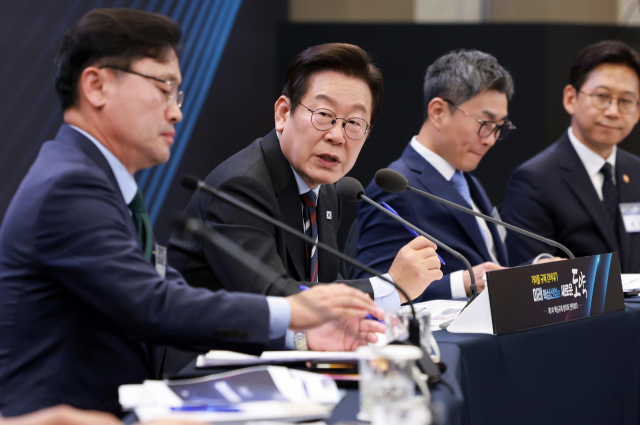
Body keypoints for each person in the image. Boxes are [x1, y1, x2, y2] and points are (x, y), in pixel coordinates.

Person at [0, 9, 384, 418]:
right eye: (163, 88)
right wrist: (293, 313)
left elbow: (168, 291)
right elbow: (154, 304)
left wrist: (303, 335)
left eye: (177, 94)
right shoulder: (71, 186)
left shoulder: (94, 179)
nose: (176, 112)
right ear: (96, 86)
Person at [168, 43, 442, 308]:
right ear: (283, 114)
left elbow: (323, 284)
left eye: (354, 123)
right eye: (323, 114)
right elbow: (274, 298)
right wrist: (389, 287)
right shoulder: (241, 186)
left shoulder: (325, 191)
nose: (337, 136)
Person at [356, 50, 556, 301]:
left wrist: (535, 269)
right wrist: (461, 283)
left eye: (500, 127)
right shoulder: (397, 186)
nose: (491, 139)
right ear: (438, 112)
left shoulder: (466, 180)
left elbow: (489, 270)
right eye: (485, 123)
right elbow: (375, 289)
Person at [503, 40, 640, 272]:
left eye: (625, 101)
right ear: (570, 98)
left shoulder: (636, 171)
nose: (613, 111)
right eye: (602, 96)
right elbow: (529, 276)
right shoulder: (534, 180)